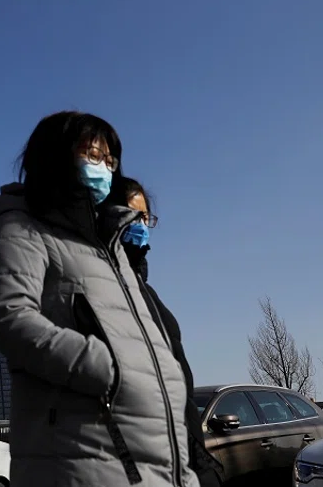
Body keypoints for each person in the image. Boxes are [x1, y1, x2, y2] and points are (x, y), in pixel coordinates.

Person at [0, 110, 198, 487]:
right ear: (55, 157)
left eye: (110, 160)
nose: (104, 168)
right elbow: (10, 317)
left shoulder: (109, 244)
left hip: (158, 461)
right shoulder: (21, 225)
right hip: (84, 458)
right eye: (92, 156)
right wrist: (111, 369)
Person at [106, 177, 224, 487]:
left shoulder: (148, 295)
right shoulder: (103, 292)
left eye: (146, 218)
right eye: (134, 216)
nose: (142, 226)